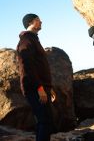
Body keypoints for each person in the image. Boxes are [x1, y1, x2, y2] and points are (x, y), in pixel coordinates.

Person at [16, 13, 56, 141]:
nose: (41, 22)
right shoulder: (26, 40)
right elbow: (27, 67)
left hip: (42, 87)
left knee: (45, 121)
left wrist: (49, 88)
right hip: (35, 88)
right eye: (38, 20)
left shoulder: (33, 39)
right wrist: (39, 88)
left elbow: (39, 66)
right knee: (45, 121)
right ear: (30, 23)